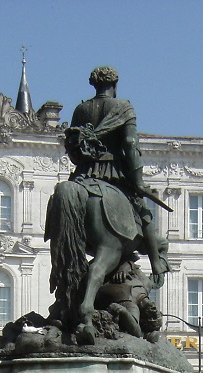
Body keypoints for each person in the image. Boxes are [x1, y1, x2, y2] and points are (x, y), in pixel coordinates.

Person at [65, 66, 168, 277]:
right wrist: (138, 182)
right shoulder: (124, 108)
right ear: (115, 85)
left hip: (84, 173)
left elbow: (72, 145)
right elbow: (130, 144)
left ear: (94, 85)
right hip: (114, 172)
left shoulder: (81, 110)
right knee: (144, 212)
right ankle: (156, 263)